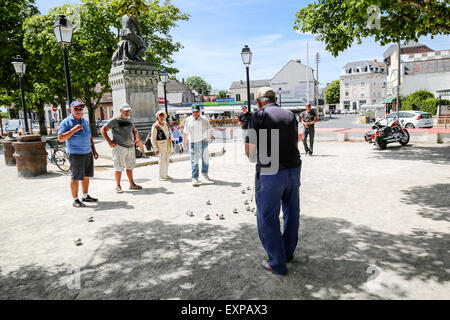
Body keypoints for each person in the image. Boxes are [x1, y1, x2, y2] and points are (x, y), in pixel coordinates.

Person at [245, 87, 301, 276]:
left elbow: (249, 149)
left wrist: (254, 158)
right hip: (293, 168)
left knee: (267, 217)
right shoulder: (290, 115)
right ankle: (287, 253)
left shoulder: (258, 115)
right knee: (292, 212)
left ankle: (276, 263)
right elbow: (295, 141)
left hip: (271, 169)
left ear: (259, 102)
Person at [58, 101, 99, 208]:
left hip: (88, 152)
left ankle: (85, 196)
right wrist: (73, 130)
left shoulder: (85, 121)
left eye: (80, 109)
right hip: (75, 153)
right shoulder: (66, 122)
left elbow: (89, 137)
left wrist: (94, 151)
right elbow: (61, 138)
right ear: (70, 109)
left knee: (86, 176)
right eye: (76, 109)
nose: (79, 111)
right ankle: (75, 200)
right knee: (75, 177)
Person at [100, 103, 145, 193]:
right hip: (119, 147)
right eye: (126, 110)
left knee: (130, 166)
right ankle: (118, 186)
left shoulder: (129, 120)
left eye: (129, 110)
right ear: (121, 110)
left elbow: (134, 129)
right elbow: (103, 129)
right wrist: (109, 142)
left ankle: (132, 184)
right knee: (118, 167)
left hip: (130, 147)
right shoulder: (115, 120)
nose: (128, 112)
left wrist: (136, 137)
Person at [183, 104, 215, 186]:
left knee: (205, 159)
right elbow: (185, 132)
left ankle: (205, 174)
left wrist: (211, 135)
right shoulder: (188, 120)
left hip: (203, 141)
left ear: (199, 111)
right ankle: (195, 178)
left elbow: (210, 129)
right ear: (191, 112)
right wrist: (184, 143)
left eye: (197, 111)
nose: (195, 113)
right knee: (194, 161)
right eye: (193, 112)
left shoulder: (204, 119)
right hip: (193, 142)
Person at [151, 110, 173, 181]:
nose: (162, 119)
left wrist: (170, 136)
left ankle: (165, 174)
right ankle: (161, 176)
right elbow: (153, 139)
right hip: (160, 146)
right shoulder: (155, 126)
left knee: (166, 160)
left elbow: (170, 131)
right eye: (160, 118)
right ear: (157, 117)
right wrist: (156, 149)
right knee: (161, 161)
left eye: (163, 117)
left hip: (168, 145)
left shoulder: (166, 124)